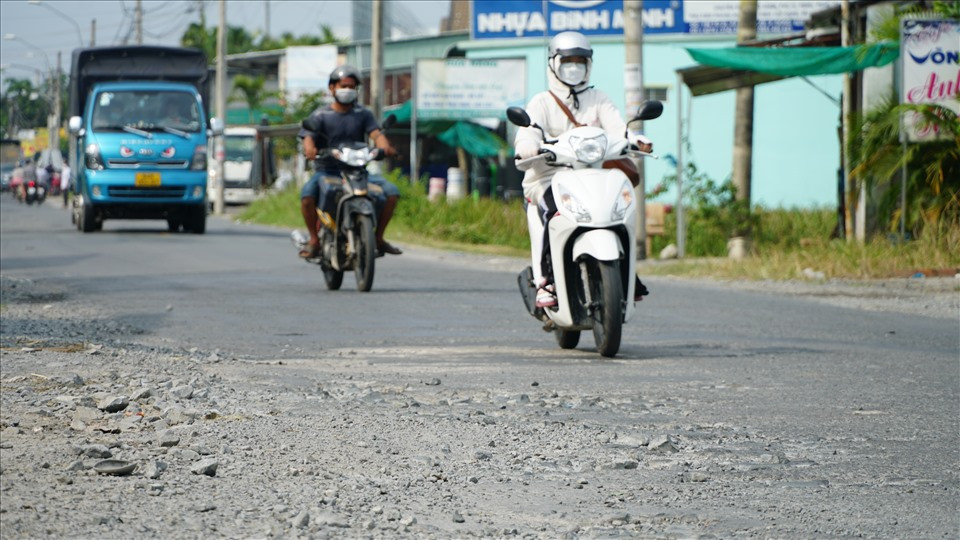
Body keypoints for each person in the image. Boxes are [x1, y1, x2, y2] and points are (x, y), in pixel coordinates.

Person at [514, 31, 653, 308]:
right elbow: (529, 131)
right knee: (552, 211)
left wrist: (636, 139)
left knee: (619, 208)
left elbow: (618, 128)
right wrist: (528, 145)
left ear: (589, 65)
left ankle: (627, 274)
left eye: (580, 61)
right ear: (554, 63)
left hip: (593, 176)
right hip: (549, 178)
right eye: (568, 61)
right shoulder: (541, 102)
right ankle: (547, 281)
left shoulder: (599, 98)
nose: (574, 67)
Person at [297, 65, 402, 258]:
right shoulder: (321, 115)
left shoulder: (363, 114)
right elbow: (308, 136)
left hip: (358, 172)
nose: (348, 90)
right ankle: (313, 240)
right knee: (307, 196)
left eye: (352, 87)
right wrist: (310, 149)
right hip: (327, 171)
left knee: (391, 193)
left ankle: (378, 238)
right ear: (332, 88)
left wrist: (385, 147)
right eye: (344, 86)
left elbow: (376, 134)